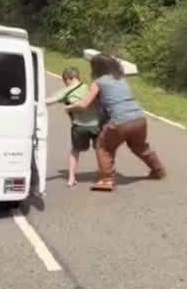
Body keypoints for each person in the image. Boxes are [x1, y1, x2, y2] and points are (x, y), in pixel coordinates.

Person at [66, 52, 166, 191]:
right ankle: (158, 171)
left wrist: (69, 106)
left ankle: (107, 179)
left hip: (120, 121)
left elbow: (84, 104)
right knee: (140, 147)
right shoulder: (120, 78)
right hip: (139, 118)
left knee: (103, 146)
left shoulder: (98, 83)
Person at [44, 66, 101, 186]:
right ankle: (102, 175)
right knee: (100, 150)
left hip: (79, 126)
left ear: (68, 78)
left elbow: (50, 100)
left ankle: (71, 178)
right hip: (96, 125)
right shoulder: (89, 87)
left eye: (65, 80)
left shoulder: (67, 90)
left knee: (75, 151)